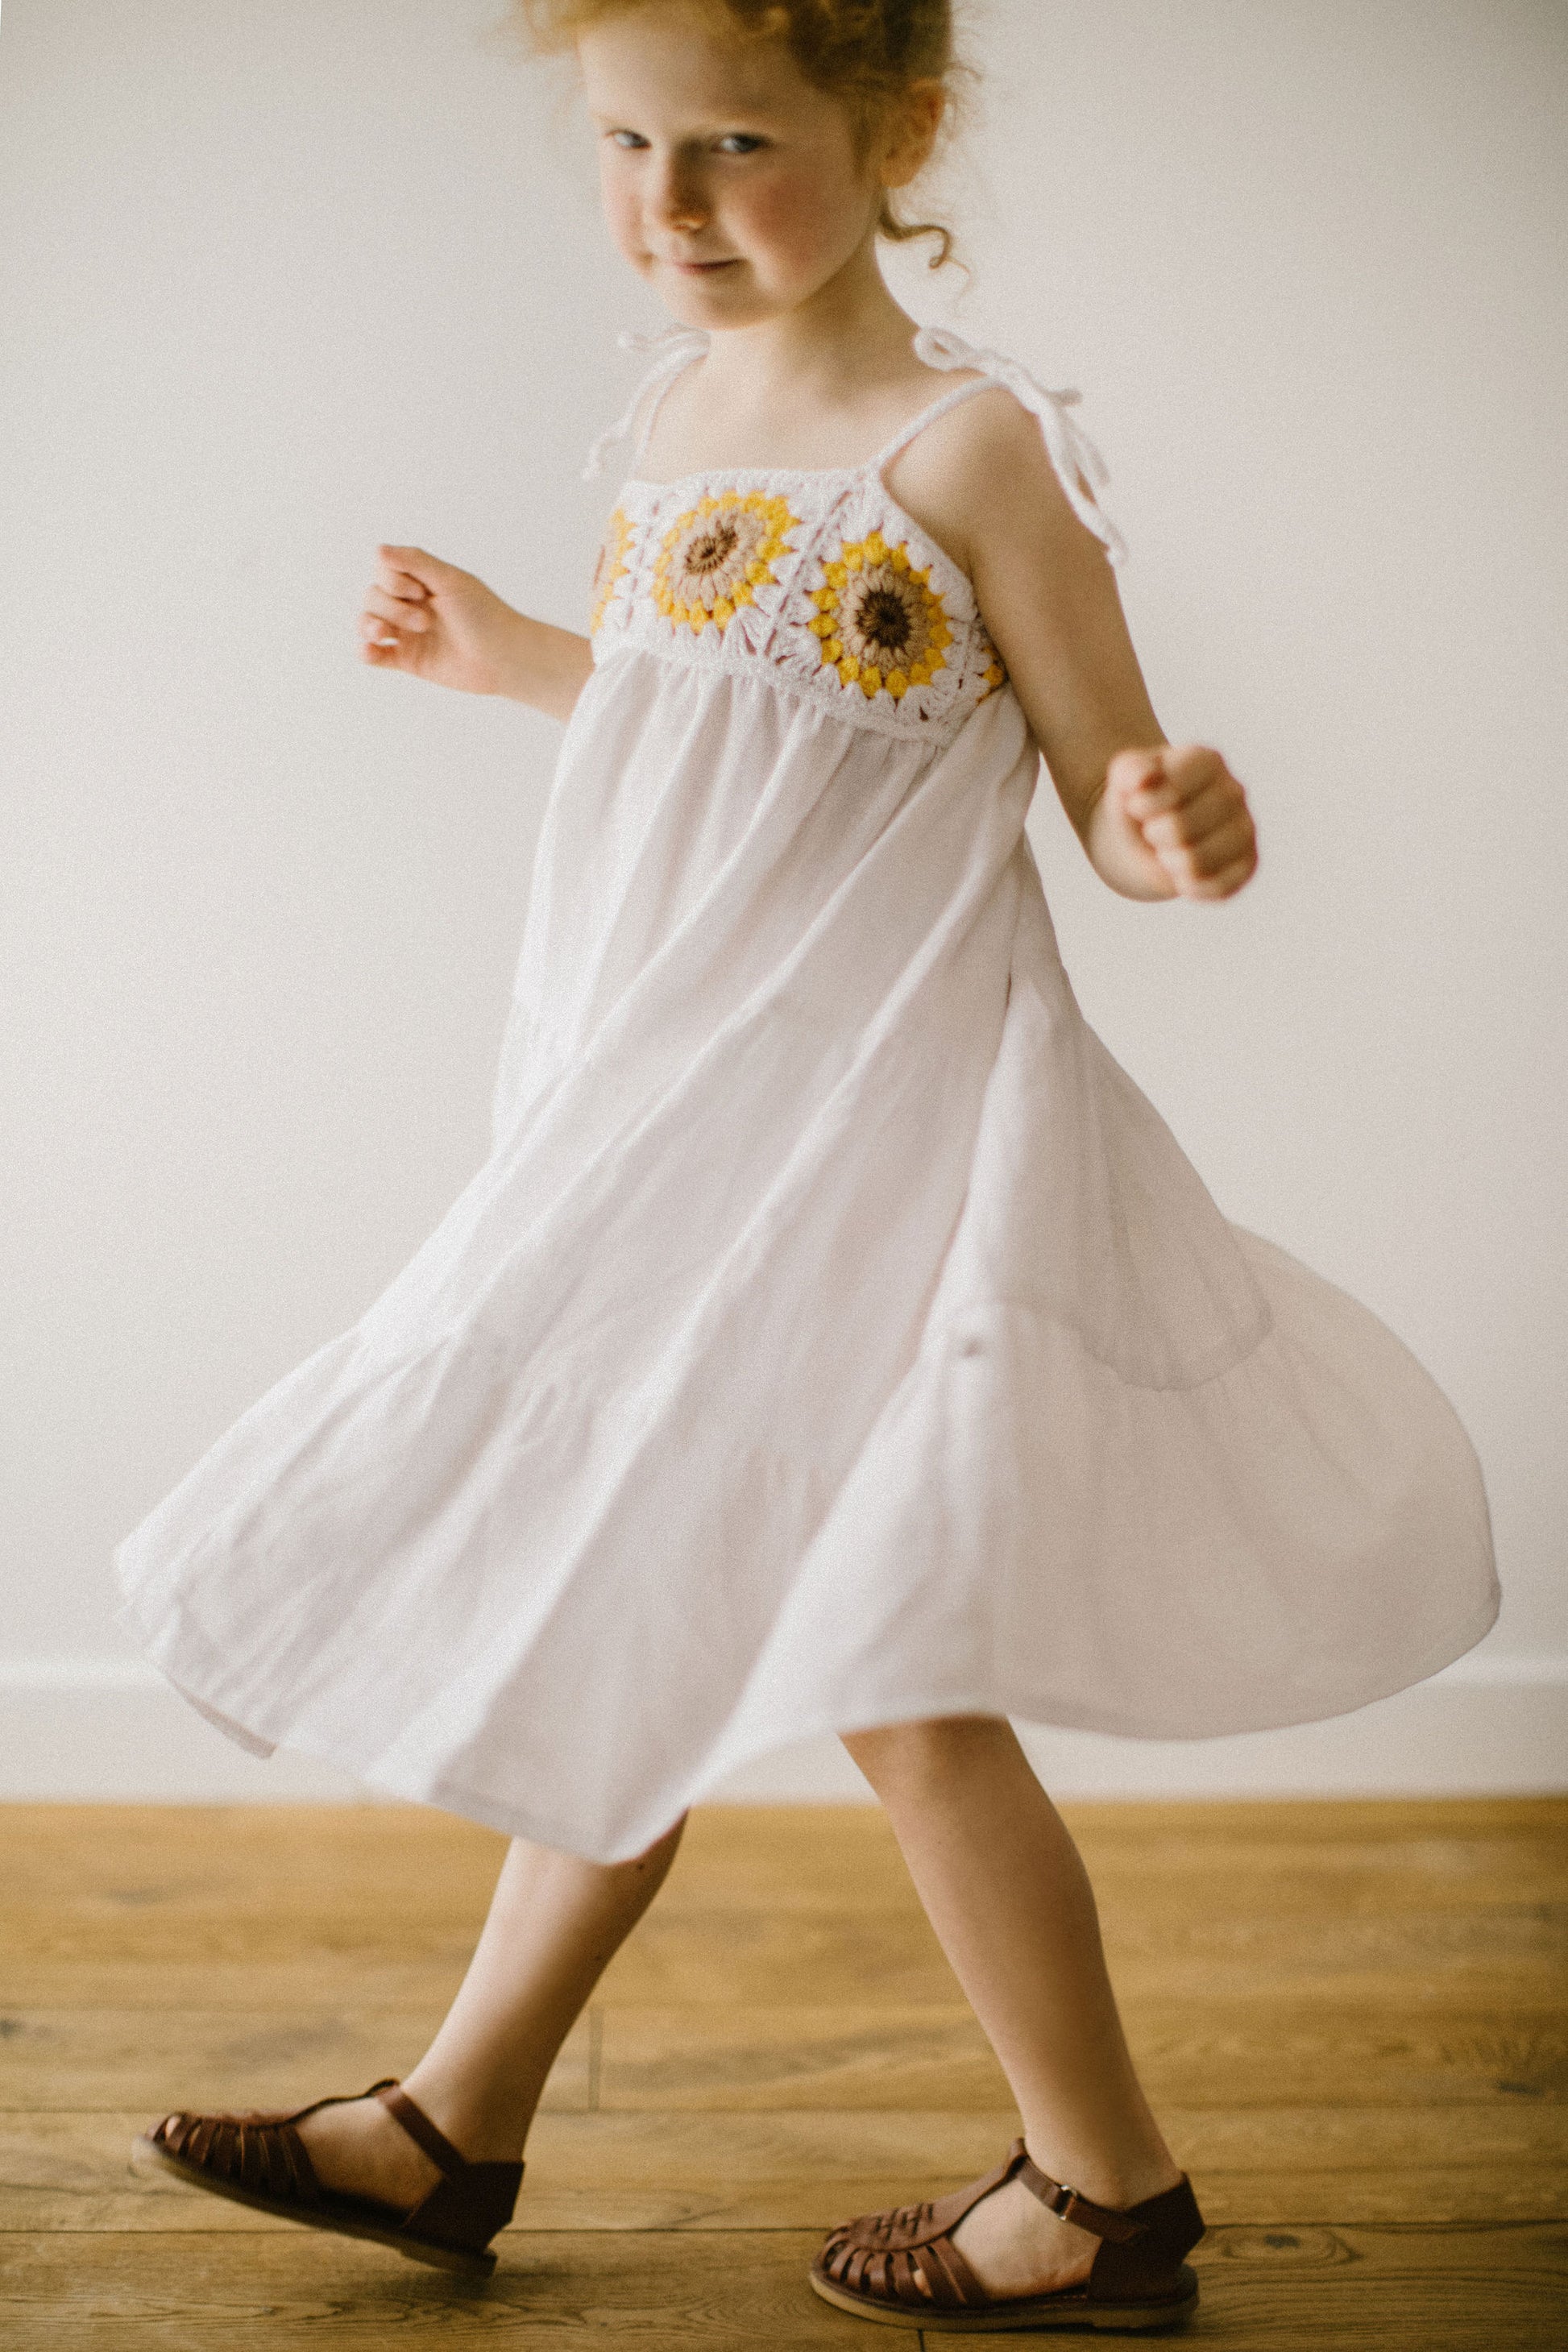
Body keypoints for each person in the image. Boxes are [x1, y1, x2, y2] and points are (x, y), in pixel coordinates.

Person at [117, 0, 1499, 2329]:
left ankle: (1102, 2185)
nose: (666, 202)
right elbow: (726, 726)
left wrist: (1174, 831)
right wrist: (522, 657)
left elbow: (1097, 777)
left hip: (880, 1123)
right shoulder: (672, 418)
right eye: (627, 143)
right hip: (674, 1109)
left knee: (890, 1669)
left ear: (895, 130)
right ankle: (456, 2121)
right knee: (644, 1579)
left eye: (733, 143)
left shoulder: (973, 454)